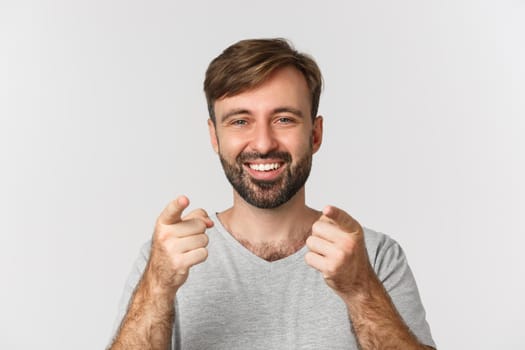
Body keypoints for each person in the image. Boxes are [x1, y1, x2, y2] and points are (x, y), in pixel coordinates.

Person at [108, 38, 436, 350]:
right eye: (240, 121)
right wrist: (158, 286)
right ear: (214, 136)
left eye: (283, 119)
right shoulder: (166, 258)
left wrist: (362, 290)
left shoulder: (373, 256)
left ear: (316, 133)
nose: (263, 143)